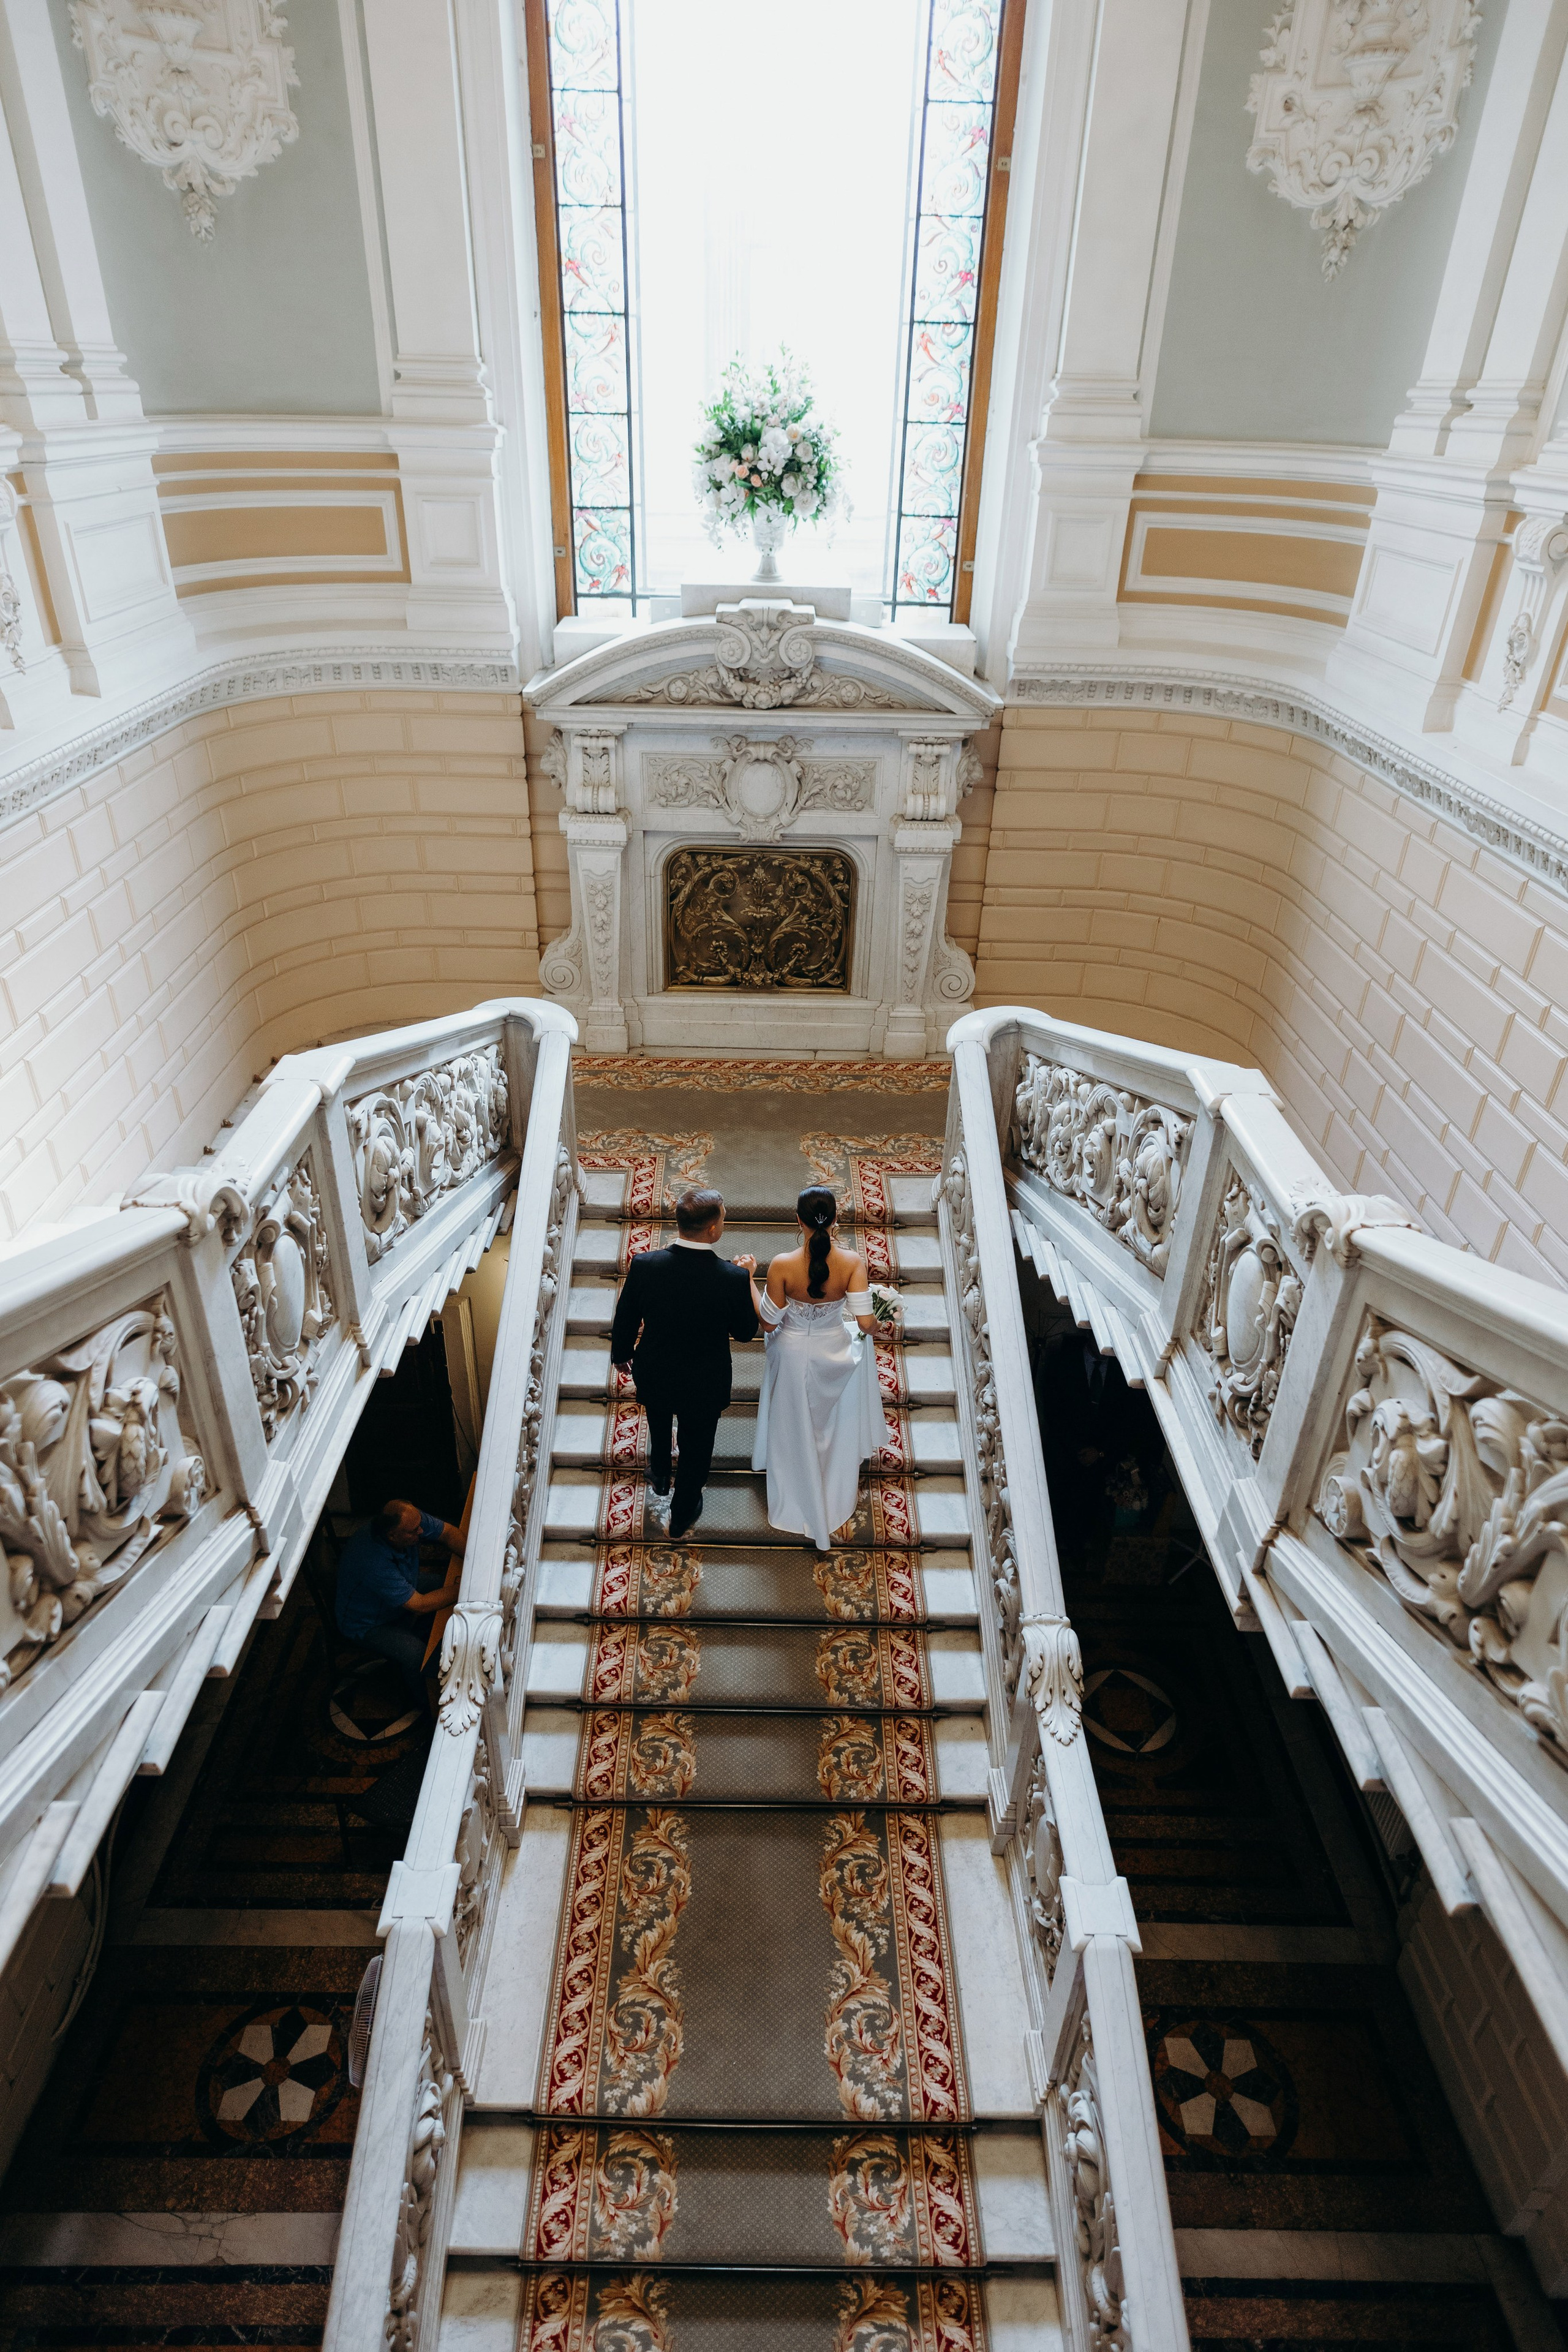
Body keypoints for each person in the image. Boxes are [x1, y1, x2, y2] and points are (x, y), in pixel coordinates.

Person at [609, 1186, 759, 1540]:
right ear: (712, 1230)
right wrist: (749, 1277)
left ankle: (659, 1472)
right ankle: (681, 1513)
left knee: (658, 1418)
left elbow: (626, 1316)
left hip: (656, 1369)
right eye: (723, 1217)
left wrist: (621, 1354)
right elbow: (744, 1333)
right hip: (704, 1381)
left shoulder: (645, 1264)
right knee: (696, 1448)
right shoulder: (732, 1278)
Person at [751, 1186, 886, 1552]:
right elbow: (865, 1322)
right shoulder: (853, 1263)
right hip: (834, 1353)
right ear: (837, 1219)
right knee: (828, 1425)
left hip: (792, 1355)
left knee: (793, 1424)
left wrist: (749, 1280)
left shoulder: (781, 1264)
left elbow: (767, 1323)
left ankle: (795, 1493)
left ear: (799, 1221)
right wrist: (881, 1320)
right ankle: (830, 1488)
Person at [334, 1499, 465, 1708]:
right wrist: (466, 1587)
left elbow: (449, 1533)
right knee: (418, 1656)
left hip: (404, 1583)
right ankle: (426, 1704)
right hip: (370, 1623)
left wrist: (475, 1560)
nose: (421, 1531)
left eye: (420, 1524)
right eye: (414, 1531)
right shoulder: (372, 1562)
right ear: (393, 1536)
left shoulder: (410, 1519)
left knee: (445, 1586)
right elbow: (419, 1605)